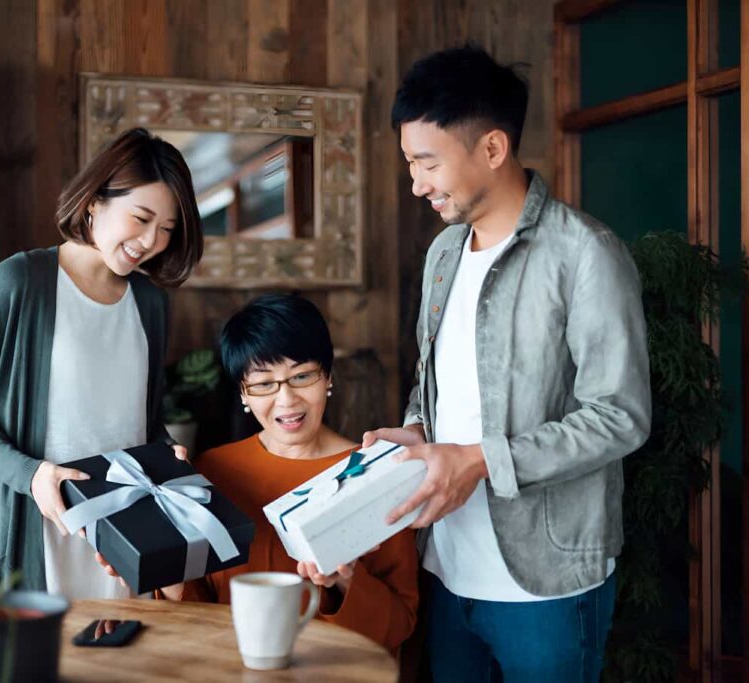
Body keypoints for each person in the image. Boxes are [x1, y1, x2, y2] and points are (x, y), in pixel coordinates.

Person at [363, 45, 651, 681]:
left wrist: (480, 460)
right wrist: (417, 430)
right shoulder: (443, 253)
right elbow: (431, 380)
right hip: (447, 565)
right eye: (410, 163)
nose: (416, 184)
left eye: (427, 162)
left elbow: (621, 416)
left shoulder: (587, 254)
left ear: (492, 149)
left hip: (547, 582)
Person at [0, 128, 203, 599]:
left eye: (166, 229)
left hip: (123, 545)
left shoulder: (150, 304)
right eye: (140, 218)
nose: (150, 241)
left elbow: (140, 423)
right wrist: (32, 474)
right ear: (94, 202)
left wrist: (168, 452)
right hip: (35, 537)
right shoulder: (17, 283)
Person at [101, 294, 419, 653]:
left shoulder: (375, 473)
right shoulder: (212, 471)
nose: (286, 400)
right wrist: (161, 568)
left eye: (302, 376)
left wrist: (346, 580)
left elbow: (401, 623)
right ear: (243, 393)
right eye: (264, 384)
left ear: (327, 376)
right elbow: (198, 607)